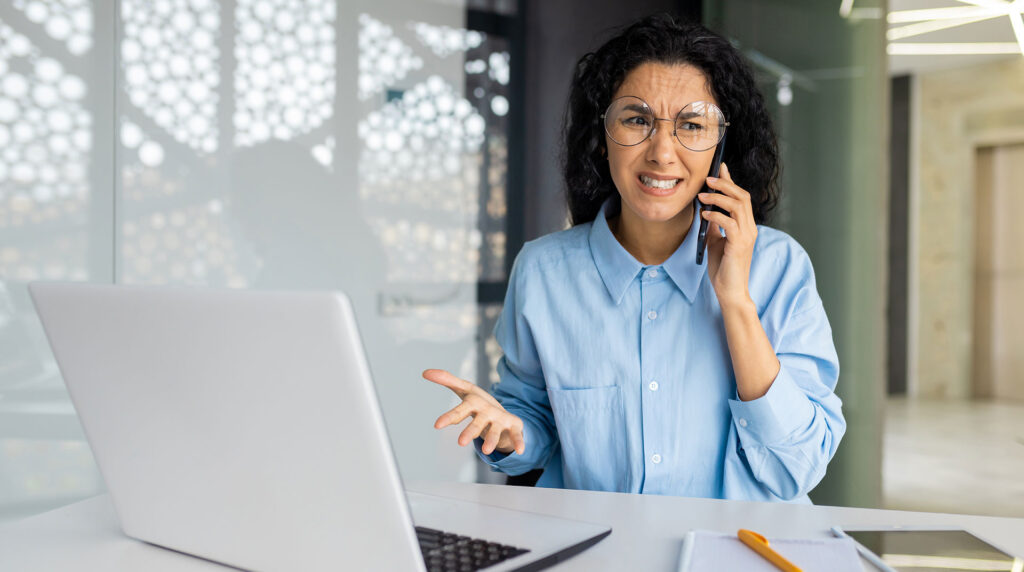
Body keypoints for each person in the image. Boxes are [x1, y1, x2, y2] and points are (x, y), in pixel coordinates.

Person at [423, 14, 845, 503]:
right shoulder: (542, 272)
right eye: (637, 120)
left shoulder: (780, 268)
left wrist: (735, 302)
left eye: (692, 124)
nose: (662, 152)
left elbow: (801, 463)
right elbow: (535, 428)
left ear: (720, 145)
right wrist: (509, 430)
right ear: (603, 136)